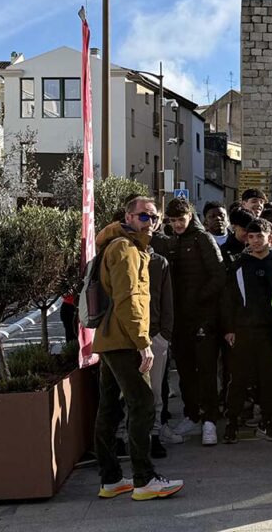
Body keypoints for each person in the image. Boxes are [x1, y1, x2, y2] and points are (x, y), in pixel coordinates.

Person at [92, 196, 183, 501]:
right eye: (144, 216)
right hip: (124, 340)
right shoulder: (125, 249)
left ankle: (112, 479)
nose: (151, 222)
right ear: (128, 218)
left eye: (154, 217)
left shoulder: (127, 247)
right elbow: (129, 299)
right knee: (142, 404)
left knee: (109, 407)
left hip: (111, 339)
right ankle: (144, 479)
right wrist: (143, 344)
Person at [160, 198, 225, 446]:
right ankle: (192, 414)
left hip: (203, 317)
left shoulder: (203, 239)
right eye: (173, 220)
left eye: (181, 219)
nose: (177, 224)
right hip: (178, 319)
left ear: (190, 216)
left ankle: (210, 420)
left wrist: (199, 298)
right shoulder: (171, 240)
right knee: (185, 371)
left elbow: (219, 276)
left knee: (206, 370)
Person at [222, 219, 272, 444]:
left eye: (260, 236)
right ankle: (231, 422)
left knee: (270, 379)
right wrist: (229, 328)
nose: (255, 241)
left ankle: (267, 422)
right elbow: (229, 299)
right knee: (239, 379)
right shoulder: (239, 265)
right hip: (243, 332)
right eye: (251, 237)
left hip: (271, 333)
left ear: (271, 237)